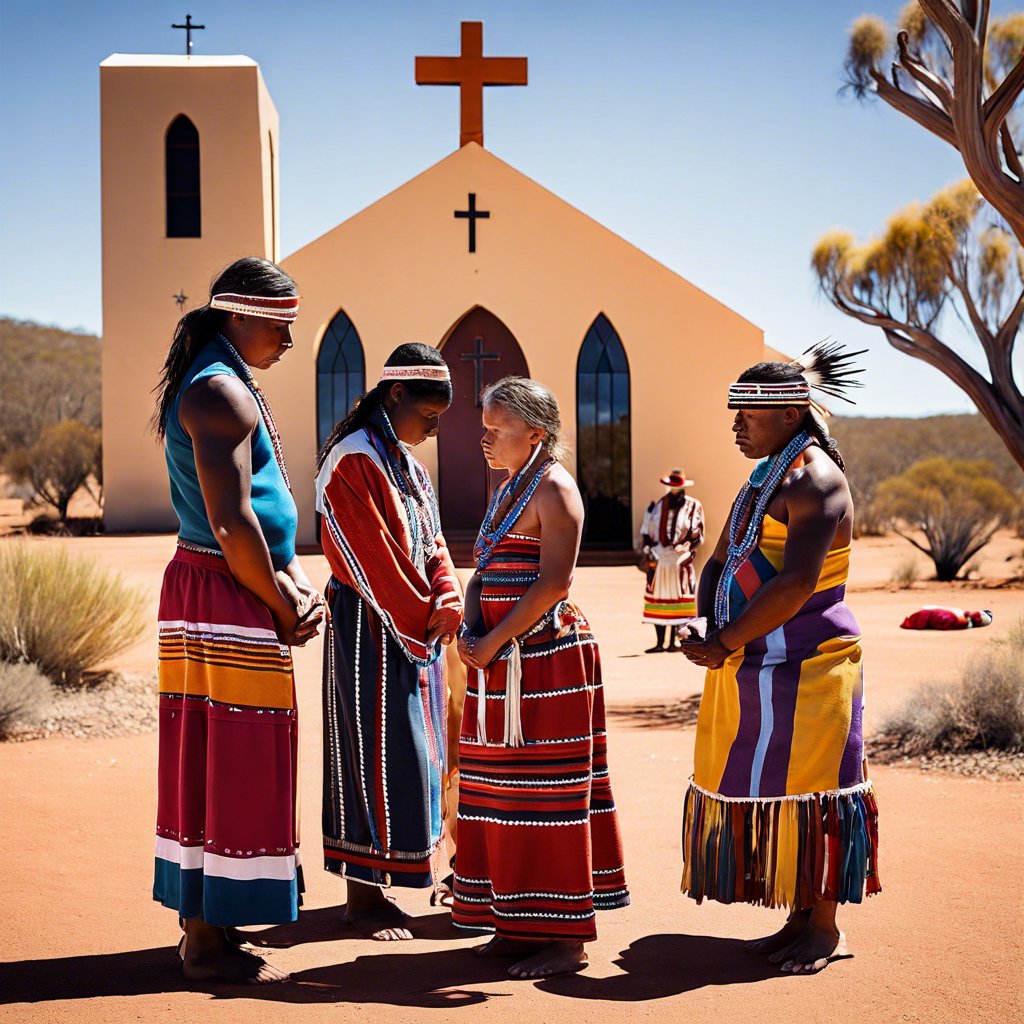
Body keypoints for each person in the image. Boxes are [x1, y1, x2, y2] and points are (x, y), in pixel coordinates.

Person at [679, 341, 880, 974]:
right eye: (734, 411)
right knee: (780, 790)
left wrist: (724, 641)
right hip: (753, 661)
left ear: (790, 413)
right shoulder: (762, 478)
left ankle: (823, 927)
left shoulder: (816, 479)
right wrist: (708, 621)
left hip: (812, 663)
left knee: (819, 789)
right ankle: (798, 919)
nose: (736, 424)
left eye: (748, 412)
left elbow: (796, 584)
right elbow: (718, 559)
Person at [152, 257, 324, 984]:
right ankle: (202, 934)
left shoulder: (225, 383)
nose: (288, 340)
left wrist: (288, 575)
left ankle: (210, 924)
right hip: (223, 593)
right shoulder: (219, 391)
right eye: (281, 325)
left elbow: (252, 513)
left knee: (216, 752)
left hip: (223, 587)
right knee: (229, 757)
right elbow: (230, 521)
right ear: (241, 316)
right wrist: (283, 601)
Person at [453, 376, 629, 980]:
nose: (484, 439)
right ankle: (514, 924)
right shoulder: (506, 489)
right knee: (503, 796)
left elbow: (554, 583)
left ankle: (564, 937)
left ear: (535, 432)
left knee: (549, 798)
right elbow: (483, 570)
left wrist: (494, 641)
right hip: (499, 670)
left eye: (496, 429)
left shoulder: (555, 489)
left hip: (547, 666)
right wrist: (470, 628)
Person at [316, 344, 463, 941]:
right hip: (369, 628)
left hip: (415, 628)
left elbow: (432, 539)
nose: (432, 431)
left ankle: (392, 881)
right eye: (427, 417)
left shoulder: (406, 463)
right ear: (395, 395)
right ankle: (363, 897)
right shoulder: (353, 459)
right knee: (368, 751)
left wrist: (448, 595)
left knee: (412, 756)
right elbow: (364, 556)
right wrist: (422, 616)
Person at [640, 468, 704, 652]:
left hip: (679, 558)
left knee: (678, 599)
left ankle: (675, 641)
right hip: (660, 557)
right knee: (659, 598)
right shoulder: (659, 505)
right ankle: (660, 642)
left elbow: (697, 532)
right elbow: (648, 528)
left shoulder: (693, 506)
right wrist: (650, 550)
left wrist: (687, 549)